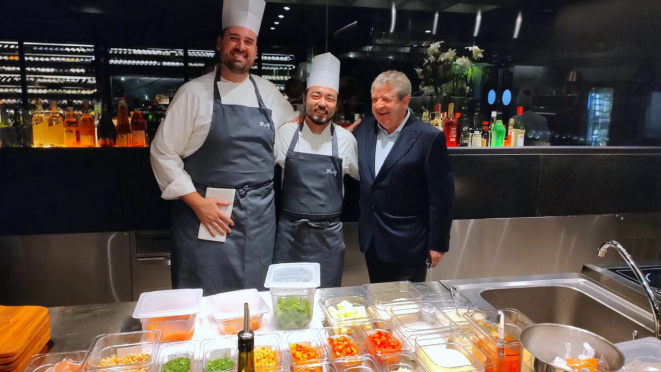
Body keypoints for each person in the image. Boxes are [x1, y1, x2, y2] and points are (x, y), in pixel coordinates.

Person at [149, 0, 298, 295]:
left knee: (254, 298)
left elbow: (291, 134)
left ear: (255, 51)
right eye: (234, 38)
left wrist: (330, 132)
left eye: (249, 41)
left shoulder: (268, 93)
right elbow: (162, 153)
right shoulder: (193, 93)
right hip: (207, 215)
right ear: (220, 44)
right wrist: (198, 203)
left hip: (258, 219)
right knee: (205, 295)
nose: (241, 47)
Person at [353, 70, 455, 283]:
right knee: (378, 304)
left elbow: (441, 197)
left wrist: (437, 244)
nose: (379, 105)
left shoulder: (428, 137)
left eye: (386, 99)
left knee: (406, 309)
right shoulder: (363, 130)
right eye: (374, 99)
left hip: (409, 244)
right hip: (372, 240)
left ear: (405, 101)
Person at [273, 53, 359, 288]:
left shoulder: (345, 140)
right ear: (304, 98)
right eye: (316, 95)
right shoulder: (285, 134)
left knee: (326, 299)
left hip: (328, 239)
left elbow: (365, 179)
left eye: (329, 98)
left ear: (336, 103)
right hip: (290, 235)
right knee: (285, 298)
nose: (322, 103)